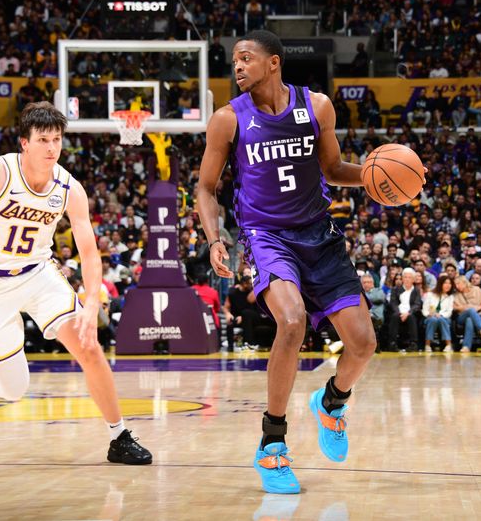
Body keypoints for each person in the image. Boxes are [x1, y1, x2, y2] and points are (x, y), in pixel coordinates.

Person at [195, 30, 380, 494]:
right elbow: (205, 188)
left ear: (273, 62)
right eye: (233, 61)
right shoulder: (227, 119)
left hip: (320, 233)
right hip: (265, 236)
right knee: (292, 322)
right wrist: (215, 238)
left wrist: (377, 180)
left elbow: (335, 171)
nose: (237, 67)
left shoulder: (316, 106)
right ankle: (272, 444)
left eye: (245, 59)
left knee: (362, 344)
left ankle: (331, 403)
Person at [0, 102, 151, 464]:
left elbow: (89, 252)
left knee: (89, 348)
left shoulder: (69, 188)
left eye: (57, 139)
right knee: (14, 389)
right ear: (24, 142)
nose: (51, 148)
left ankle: (119, 435)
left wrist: (91, 304)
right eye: (43, 139)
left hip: (37, 273)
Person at [387, 267, 422, 352]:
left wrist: (408, 313)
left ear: (413, 279)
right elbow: (393, 303)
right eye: (405, 277)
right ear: (402, 278)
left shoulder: (416, 290)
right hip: (398, 312)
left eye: (409, 277)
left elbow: (417, 304)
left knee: (412, 317)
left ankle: (413, 344)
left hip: (410, 313)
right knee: (395, 316)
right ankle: (392, 343)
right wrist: (399, 312)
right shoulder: (395, 289)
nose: (407, 279)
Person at [452, 275, 481, 352]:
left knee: (469, 319)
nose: (457, 286)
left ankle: (466, 346)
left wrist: (477, 308)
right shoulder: (455, 294)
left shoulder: (477, 289)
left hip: (479, 316)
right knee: (470, 311)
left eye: (458, 283)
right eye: (455, 284)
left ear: (465, 283)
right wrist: (466, 308)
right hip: (461, 317)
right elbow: (454, 307)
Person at [422, 273, 454, 352]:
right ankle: (427, 345)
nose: (448, 285)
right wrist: (429, 314)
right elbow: (424, 309)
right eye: (445, 283)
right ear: (440, 284)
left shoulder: (450, 297)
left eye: (450, 283)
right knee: (433, 320)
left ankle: (448, 345)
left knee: (441, 319)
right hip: (430, 317)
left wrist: (441, 315)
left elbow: (449, 312)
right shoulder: (430, 295)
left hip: (445, 318)